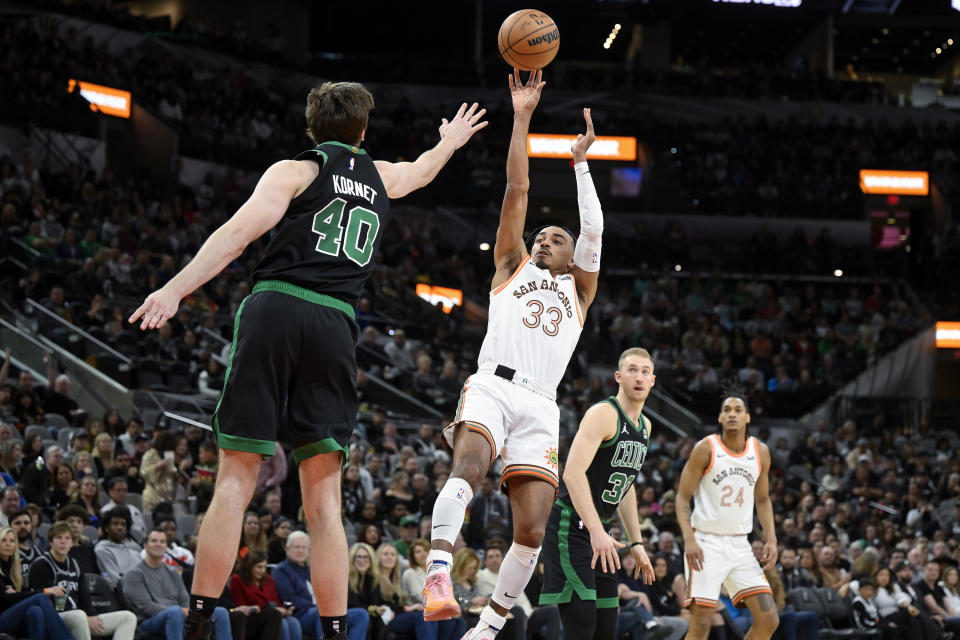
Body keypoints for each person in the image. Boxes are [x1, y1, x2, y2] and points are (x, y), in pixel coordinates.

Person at [130, 81, 487, 640]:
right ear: (364, 132)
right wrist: (450, 143)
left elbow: (236, 236)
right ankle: (337, 631)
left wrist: (175, 290)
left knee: (235, 480)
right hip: (335, 324)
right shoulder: (381, 178)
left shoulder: (295, 171)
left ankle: (199, 621)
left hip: (277, 307)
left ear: (312, 128)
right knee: (325, 499)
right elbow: (420, 172)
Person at [424, 70, 606, 640]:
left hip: (542, 405)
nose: (543, 239)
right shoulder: (511, 266)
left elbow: (594, 227)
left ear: (574, 255)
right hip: (491, 385)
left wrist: (580, 164)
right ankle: (436, 573)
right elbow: (516, 192)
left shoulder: (580, 291)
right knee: (470, 469)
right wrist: (522, 116)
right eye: (541, 235)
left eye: (556, 237)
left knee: (531, 531)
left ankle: (489, 626)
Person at [538, 348, 656, 639]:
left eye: (644, 371)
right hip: (571, 526)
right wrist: (595, 530)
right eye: (631, 370)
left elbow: (625, 488)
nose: (638, 377)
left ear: (652, 380)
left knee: (605, 629)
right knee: (582, 627)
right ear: (618, 377)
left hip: (601, 533)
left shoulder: (646, 427)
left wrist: (637, 542)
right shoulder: (604, 413)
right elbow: (572, 473)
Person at [675, 385, 779, 640]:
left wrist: (772, 538)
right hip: (705, 544)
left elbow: (763, 500)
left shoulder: (760, 452)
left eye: (738, 410)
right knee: (700, 625)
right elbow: (682, 497)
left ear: (747, 417)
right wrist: (689, 538)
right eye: (726, 410)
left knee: (769, 619)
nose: (732, 414)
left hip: (740, 545)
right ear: (720, 417)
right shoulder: (706, 448)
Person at [27, 521, 138, 640]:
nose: (63, 541)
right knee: (78, 616)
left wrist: (92, 616)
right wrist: (85, 617)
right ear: (51, 541)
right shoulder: (41, 564)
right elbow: (47, 601)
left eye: (67, 538)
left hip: (80, 617)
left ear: (72, 543)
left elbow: (84, 596)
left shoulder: (75, 564)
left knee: (128, 617)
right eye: (59, 538)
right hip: (54, 617)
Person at [122, 528, 232, 640]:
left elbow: (184, 598)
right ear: (145, 545)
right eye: (154, 541)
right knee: (175, 612)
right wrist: (181, 612)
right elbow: (146, 607)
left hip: (179, 615)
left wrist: (186, 612)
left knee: (220, 612)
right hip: (148, 622)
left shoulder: (173, 571)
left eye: (162, 542)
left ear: (166, 546)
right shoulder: (134, 574)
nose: (158, 544)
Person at [273, 530, 370, 640]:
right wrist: (321, 607)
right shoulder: (281, 570)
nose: (300, 551)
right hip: (301, 615)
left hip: (320, 611)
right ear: (287, 549)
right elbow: (290, 599)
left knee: (361, 614)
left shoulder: (312, 570)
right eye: (296, 547)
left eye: (304, 547)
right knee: (323, 614)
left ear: (308, 550)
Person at [0, 525, 75, 640]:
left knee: (36, 611)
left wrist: (15, 595)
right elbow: (5, 599)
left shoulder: (13, 567)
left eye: (12, 540)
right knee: (40, 597)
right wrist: (45, 591)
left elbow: (17, 595)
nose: (8, 544)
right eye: (3, 540)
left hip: (13, 615)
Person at [229, 548, 301, 640]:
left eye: (264, 567)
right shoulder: (237, 580)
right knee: (280, 620)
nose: (263, 570)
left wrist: (285, 611)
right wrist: (269, 609)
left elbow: (275, 602)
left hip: (271, 616)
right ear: (249, 566)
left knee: (293, 622)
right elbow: (241, 607)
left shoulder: (268, 579)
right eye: (259, 567)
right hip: (250, 620)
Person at [95, 507, 143, 586]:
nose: (120, 527)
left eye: (123, 524)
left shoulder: (134, 552)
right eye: (115, 524)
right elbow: (114, 581)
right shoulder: (102, 550)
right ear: (107, 528)